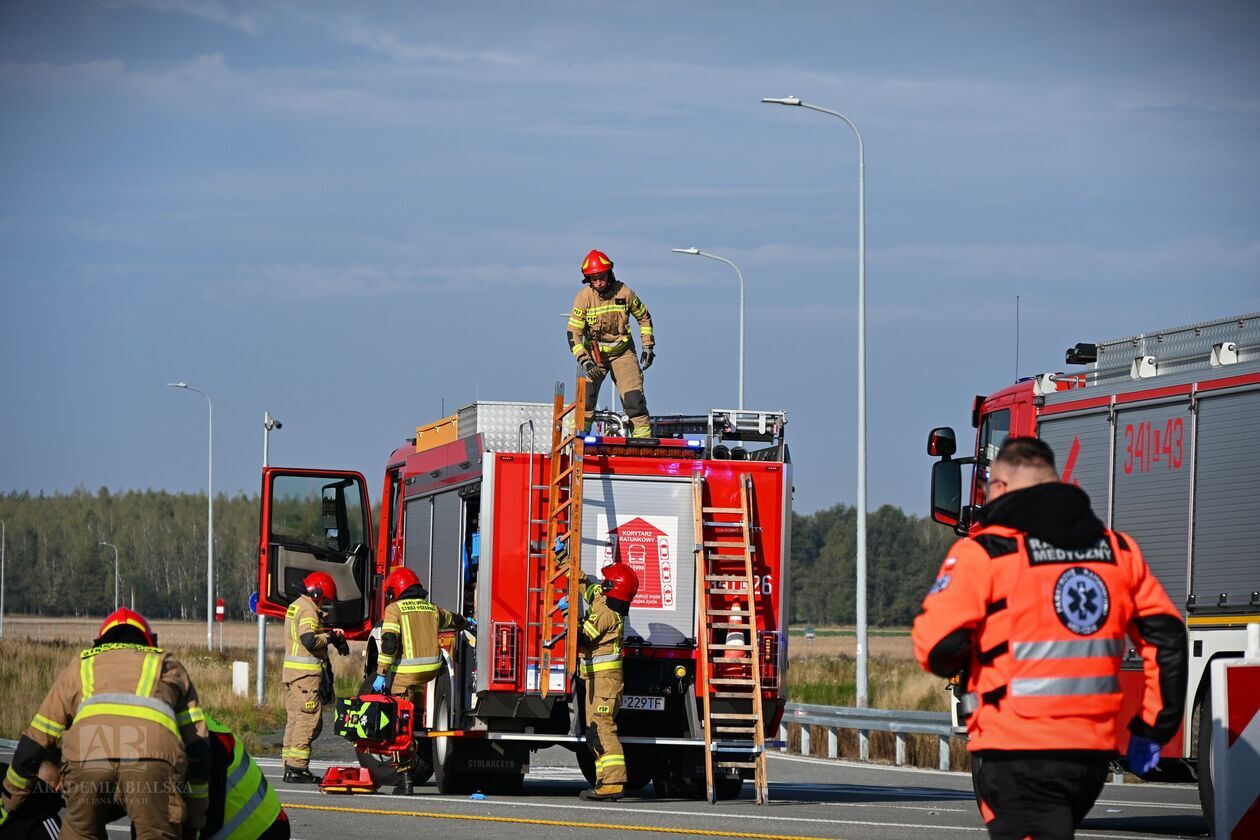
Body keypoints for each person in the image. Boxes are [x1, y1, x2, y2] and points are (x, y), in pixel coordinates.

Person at [912, 437, 1188, 839]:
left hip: (1016, 749)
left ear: (1002, 487)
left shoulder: (986, 554)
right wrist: (1153, 727)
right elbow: (1167, 642)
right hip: (1090, 756)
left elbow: (935, 648)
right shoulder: (1118, 552)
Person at [1, 609, 211, 840]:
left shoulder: (81, 665)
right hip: (153, 758)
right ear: (150, 641)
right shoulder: (168, 664)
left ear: (100, 641)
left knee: (80, 832)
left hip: (88, 754)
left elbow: (35, 742)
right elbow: (199, 750)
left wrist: (10, 802)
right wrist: (194, 821)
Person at [370, 567, 468, 796]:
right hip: (430, 674)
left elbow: (390, 645)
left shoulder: (394, 610)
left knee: (398, 727)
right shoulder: (430, 608)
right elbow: (453, 620)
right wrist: (467, 623)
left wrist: (382, 673)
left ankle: (405, 778)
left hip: (405, 676)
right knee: (416, 720)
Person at [567, 249, 656, 438]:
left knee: (634, 401)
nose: (598, 282)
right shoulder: (583, 298)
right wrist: (585, 361)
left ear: (610, 273)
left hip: (622, 353)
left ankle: (643, 442)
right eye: (593, 279)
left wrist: (647, 346)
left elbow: (644, 317)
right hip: (594, 354)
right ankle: (579, 441)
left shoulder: (625, 292)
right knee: (586, 400)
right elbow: (573, 333)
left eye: (602, 277)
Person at [576, 560, 639, 801]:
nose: (601, 586)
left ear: (614, 587)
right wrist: (566, 563)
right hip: (598, 681)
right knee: (594, 731)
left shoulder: (606, 613)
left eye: (606, 583)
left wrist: (564, 613)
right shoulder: (605, 602)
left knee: (603, 728)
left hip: (604, 682)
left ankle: (613, 782)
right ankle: (604, 780)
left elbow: (583, 637)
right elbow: (587, 588)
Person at [281, 571, 348, 783]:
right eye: (324, 599)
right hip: (306, 676)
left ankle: (290, 765)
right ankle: (297, 768)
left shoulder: (297, 606)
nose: (324, 603)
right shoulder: (308, 610)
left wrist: (328, 631)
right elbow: (309, 640)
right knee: (309, 721)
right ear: (317, 593)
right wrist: (329, 638)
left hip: (293, 676)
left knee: (295, 719)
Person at [202, 713, 289, 840]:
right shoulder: (202, 729)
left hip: (260, 831)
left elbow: (211, 818)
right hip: (266, 822)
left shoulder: (205, 739)